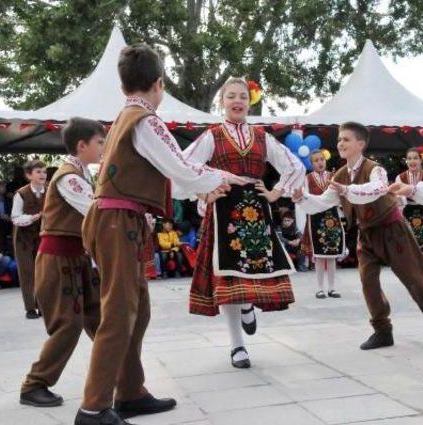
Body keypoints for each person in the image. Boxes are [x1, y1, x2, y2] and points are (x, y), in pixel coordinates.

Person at [75, 43, 242, 425]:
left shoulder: (126, 116)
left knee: (138, 310)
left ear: (122, 86)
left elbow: (170, 175)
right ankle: (93, 407)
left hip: (122, 221)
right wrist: (220, 178)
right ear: (159, 83)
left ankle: (131, 392)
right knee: (119, 314)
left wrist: (203, 184)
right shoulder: (145, 119)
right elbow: (181, 166)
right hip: (118, 221)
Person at [182, 76, 305, 369]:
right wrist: (205, 190)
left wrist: (276, 192)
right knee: (227, 276)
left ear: (249, 103)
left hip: (255, 209)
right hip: (222, 209)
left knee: (251, 272)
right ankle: (237, 345)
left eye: (242, 97)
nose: (237, 101)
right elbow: (183, 165)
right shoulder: (212, 135)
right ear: (222, 102)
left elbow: (295, 165)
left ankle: (248, 304)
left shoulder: (263, 137)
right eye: (230, 97)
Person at [294, 121, 423, 351]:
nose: (340, 143)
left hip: (393, 230)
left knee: (416, 281)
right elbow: (321, 203)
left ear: (361, 144)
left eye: (346, 139)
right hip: (367, 234)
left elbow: (374, 190)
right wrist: (302, 198)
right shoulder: (340, 175)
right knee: (368, 282)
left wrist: (347, 191)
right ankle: (382, 330)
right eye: (339, 139)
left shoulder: (375, 169)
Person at [19, 117, 105, 408]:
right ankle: (34, 384)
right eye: (100, 142)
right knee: (68, 323)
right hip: (58, 260)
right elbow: (96, 211)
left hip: (77, 258)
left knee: (99, 318)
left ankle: (121, 375)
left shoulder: (80, 172)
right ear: (82, 146)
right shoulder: (69, 176)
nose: (103, 147)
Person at [300, 149, 345, 298]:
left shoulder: (334, 176)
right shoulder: (307, 179)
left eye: (321, 159)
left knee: (332, 255)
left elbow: (340, 196)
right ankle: (319, 288)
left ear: (325, 161)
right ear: (311, 163)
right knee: (319, 256)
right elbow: (305, 198)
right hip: (315, 218)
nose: (320, 162)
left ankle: (332, 288)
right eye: (316, 160)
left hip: (332, 218)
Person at [12, 159, 47, 319]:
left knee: (43, 271)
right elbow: (15, 218)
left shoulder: (50, 191)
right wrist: (33, 218)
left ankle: (41, 305)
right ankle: (30, 308)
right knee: (27, 272)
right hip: (23, 238)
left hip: (42, 236)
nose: (43, 175)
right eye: (38, 172)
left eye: (44, 172)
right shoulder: (21, 194)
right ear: (29, 175)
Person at [394, 147, 423, 264]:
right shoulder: (400, 178)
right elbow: (397, 198)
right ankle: (413, 278)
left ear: (421, 160)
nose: (412, 161)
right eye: (409, 158)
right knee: (409, 247)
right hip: (407, 213)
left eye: (415, 158)